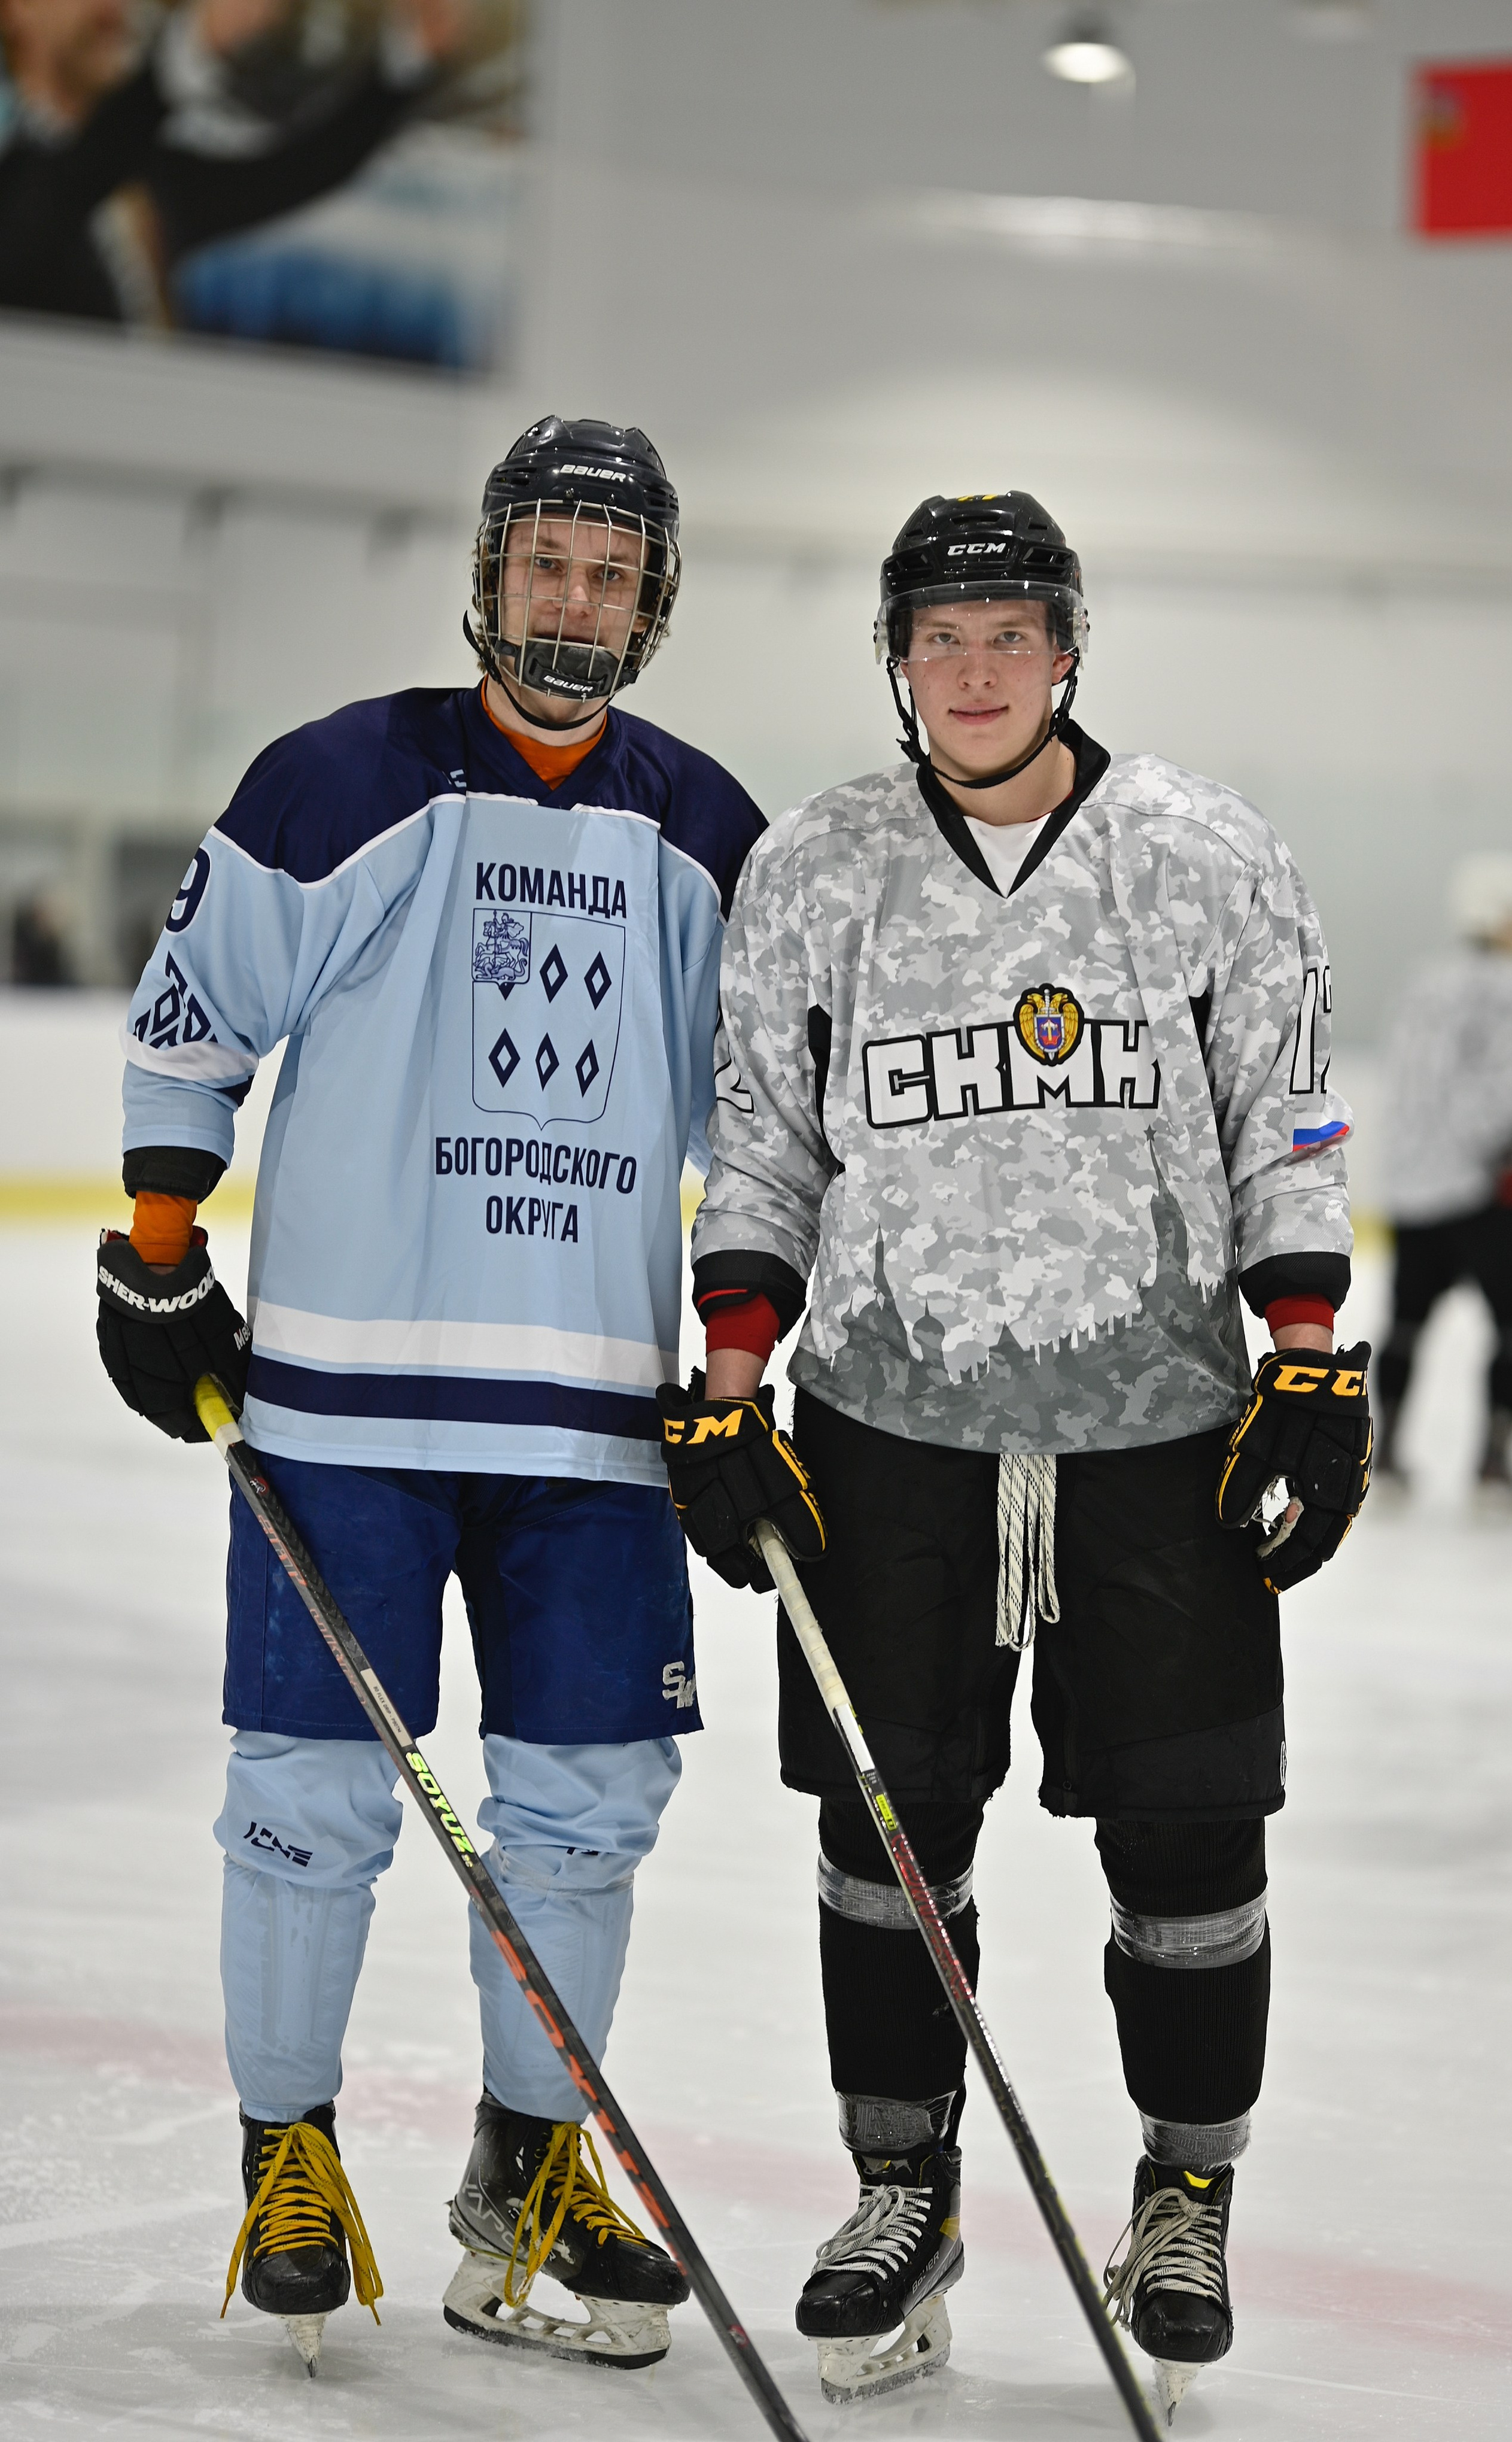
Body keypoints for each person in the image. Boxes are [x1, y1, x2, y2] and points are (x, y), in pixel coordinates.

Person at [658, 491, 1372, 2413]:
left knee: (1190, 1829)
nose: (973, 672)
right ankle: (903, 2187)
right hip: (888, 1428)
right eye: (938, 638)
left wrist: (1307, 1354)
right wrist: (729, 1376)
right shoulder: (816, 865)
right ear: (897, 661)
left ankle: (1184, 2194)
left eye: (1008, 636)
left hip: (1157, 1428)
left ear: (1064, 653)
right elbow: (764, 1138)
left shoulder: (1203, 853)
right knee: (888, 1828)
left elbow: (1285, 1119)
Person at [94, 415, 765, 2376]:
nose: (575, 600)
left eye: (611, 573)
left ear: (653, 603)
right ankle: (289, 2153)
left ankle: (530, 2164)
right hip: (346, 1411)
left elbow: (768, 1127)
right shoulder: (339, 779)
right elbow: (194, 1022)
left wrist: (741, 1367)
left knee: (588, 1813)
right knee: (308, 1801)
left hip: (593, 1425)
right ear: (490, 571)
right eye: (548, 561)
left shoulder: (710, 833)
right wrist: (159, 1247)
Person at [0, 0, 466, 328]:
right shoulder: (20, 188)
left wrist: (405, 60)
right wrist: (196, 44)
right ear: (14, 10)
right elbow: (69, 185)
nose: (113, 7)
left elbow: (290, 176)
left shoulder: (146, 176)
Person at [1374, 851, 1512, 1505]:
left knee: (1407, 1323)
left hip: (1413, 1188)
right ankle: (1493, 1464)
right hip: (1483, 1190)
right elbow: (1498, 1094)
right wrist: (1508, 1158)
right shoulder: (1511, 989)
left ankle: (1385, 1456)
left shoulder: (1424, 983)